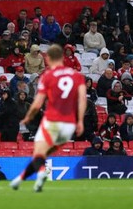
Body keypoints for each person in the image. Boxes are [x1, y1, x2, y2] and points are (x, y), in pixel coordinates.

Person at [10, 45, 86, 192]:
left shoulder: (48, 76)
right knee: (41, 154)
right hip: (69, 124)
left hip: (52, 121)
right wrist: (80, 121)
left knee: (38, 153)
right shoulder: (77, 76)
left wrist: (28, 117)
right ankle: (23, 180)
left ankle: (39, 174)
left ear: (50, 59)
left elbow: (37, 103)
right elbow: (82, 100)